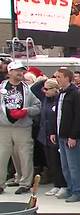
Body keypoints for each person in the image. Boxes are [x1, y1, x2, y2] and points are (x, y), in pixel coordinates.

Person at [0, 62, 41, 194]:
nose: (20, 73)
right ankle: (1, 184)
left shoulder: (28, 89)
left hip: (23, 127)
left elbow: (38, 106)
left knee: (25, 155)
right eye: (17, 70)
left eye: (22, 70)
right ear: (10, 71)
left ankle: (25, 183)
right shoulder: (1, 87)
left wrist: (26, 111)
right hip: (4, 127)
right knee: (2, 156)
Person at [49, 68, 80, 202]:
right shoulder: (60, 93)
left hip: (70, 136)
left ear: (67, 78)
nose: (57, 79)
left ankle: (78, 191)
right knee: (65, 165)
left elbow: (77, 117)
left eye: (59, 76)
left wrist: (73, 136)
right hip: (60, 134)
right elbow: (57, 115)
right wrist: (53, 131)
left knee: (74, 165)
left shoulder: (75, 93)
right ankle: (70, 188)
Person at [30, 78, 68, 197]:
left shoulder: (60, 99)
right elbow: (34, 88)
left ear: (55, 90)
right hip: (44, 135)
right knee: (51, 162)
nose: (44, 91)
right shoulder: (44, 98)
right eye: (44, 89)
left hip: (56, 136)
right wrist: (45, 79)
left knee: (58, 162)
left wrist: (55, 81)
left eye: (47, 89)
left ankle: (63, 185)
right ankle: (56, 184)